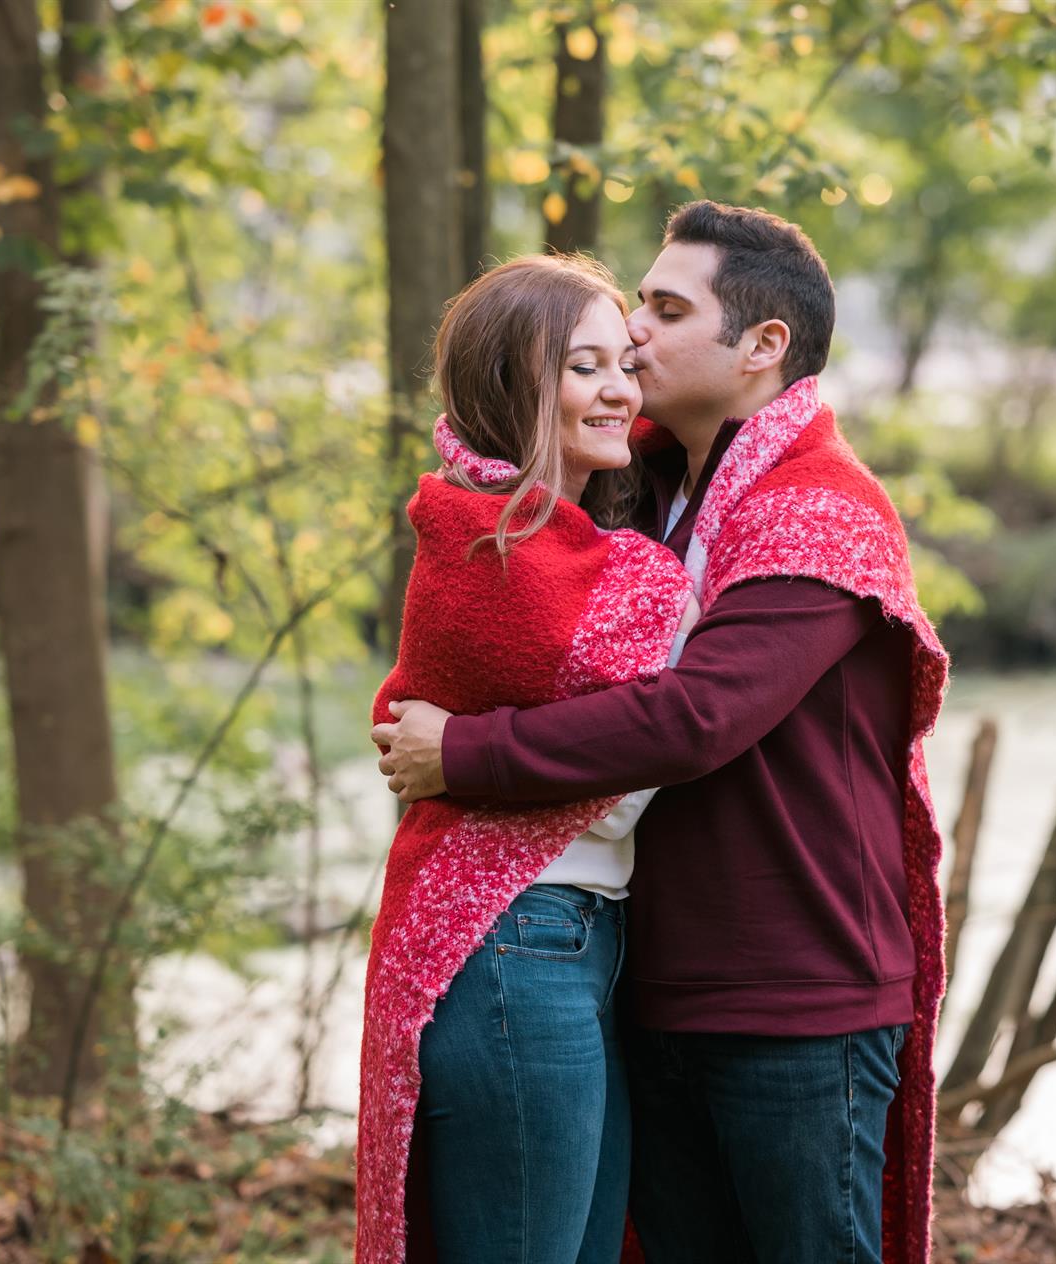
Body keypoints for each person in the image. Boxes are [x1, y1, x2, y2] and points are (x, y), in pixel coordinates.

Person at [373, 202, 951, 1264]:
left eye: (667, 310)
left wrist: (463, 752)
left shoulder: (819, 509)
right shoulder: (638, 488)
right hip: (643, 976)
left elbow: (697, 716)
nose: (635, 331)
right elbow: (504, 534)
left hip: (797, 993)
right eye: (637, 302)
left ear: (762, 346)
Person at [354, 253, 698, 1264]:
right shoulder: (489, 548)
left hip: (580, 941)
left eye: (625, 364)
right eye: (584, 367)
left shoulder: (571, 542)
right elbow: (633, 767)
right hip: (513, 942)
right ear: (514, 382)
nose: (621, 390)